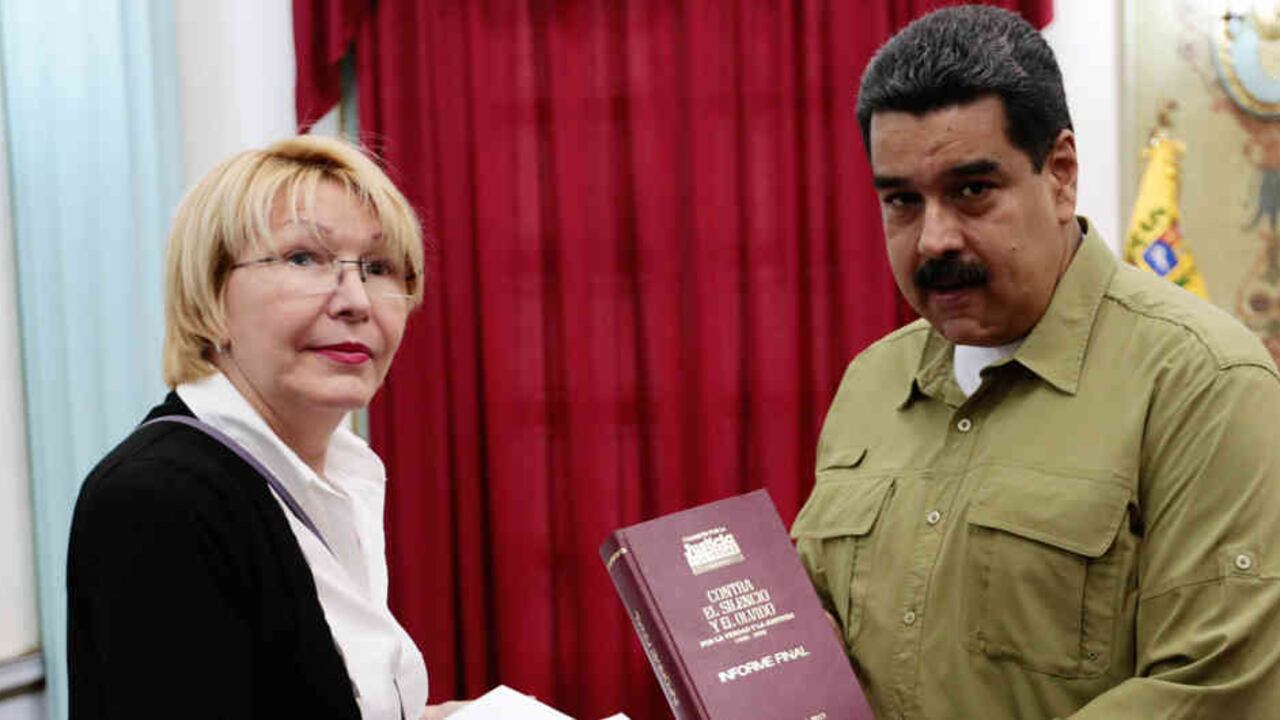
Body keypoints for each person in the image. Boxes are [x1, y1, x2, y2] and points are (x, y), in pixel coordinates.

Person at [790, 6, 1280, 719]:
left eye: (971, 190)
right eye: (901, 200)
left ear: (1059, 174)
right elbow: (819, 621)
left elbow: (1212, 690)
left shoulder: (1203, 383)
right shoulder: (872, 382)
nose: (932, 240)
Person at [67, 136, 464, 719]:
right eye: (305, 258)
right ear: (210, 296)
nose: (356, 300)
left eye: (378, 268)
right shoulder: (157, 500)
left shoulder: (338, 474)